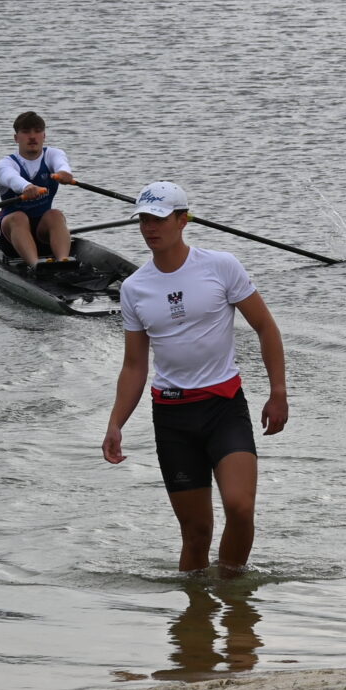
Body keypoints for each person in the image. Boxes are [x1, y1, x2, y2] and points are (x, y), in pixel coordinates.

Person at [102, 182, 289, 573]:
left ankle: (234, 596)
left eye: (159, 219)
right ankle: (194, 618)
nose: (150, 228)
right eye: (144, 221)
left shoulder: (221, 266)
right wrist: (115, 422)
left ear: (183, 220)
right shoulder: (135, 288)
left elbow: (265, 327)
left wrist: (278, 391)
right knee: (196, 532)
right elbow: (134, 365)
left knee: (239, 508)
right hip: (173, 418)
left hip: (224, 408)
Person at [0, 111, 75, 271]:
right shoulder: (4, 164)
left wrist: (64, 173)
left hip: (43, 235)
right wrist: (26, 187)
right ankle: (36, 266)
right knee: (18, 217)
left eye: (37, 131)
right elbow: (10, 178)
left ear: (44, 135)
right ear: (16, 138)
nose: (32, 136)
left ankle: (64, 263)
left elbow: (61, 163)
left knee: (55, 214)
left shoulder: (53, 154)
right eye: (26, 132)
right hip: (11, 239)